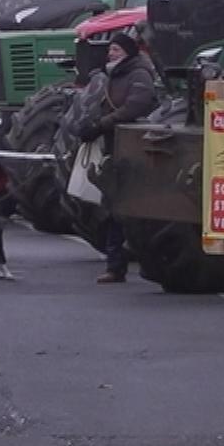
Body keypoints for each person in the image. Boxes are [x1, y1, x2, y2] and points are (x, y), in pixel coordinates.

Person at [78, 32, 159, 283]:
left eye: (116, 50)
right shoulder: (114, 75)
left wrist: (103, 123)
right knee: (113, 208)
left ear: (128, 52)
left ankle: (138, 262)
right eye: (110, 50)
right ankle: (115, 264)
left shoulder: (139, 75)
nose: (111, 54)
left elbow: (137, 105)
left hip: (132, 150)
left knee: (128, 209)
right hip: (115, 147)